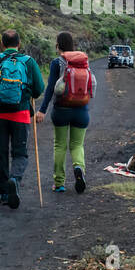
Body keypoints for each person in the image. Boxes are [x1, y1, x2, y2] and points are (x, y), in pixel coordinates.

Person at [0, 29, 45, 209]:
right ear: (19, 43)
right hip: (21, 114)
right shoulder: (29, 62)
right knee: (20, 152)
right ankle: (14, 178)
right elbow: (39, 89)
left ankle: (4, 192)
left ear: (2, 43)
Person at [38, 31, 96, 193]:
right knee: (77, 145)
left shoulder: (57, 62)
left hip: (61, 110)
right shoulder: (83, 61)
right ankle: (78, 168)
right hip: (81, 110)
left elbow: (50, 88)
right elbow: (91, 85)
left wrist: (42, 110)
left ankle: (59, 183)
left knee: (60, 145)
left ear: (58, 45)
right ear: (72, 45)